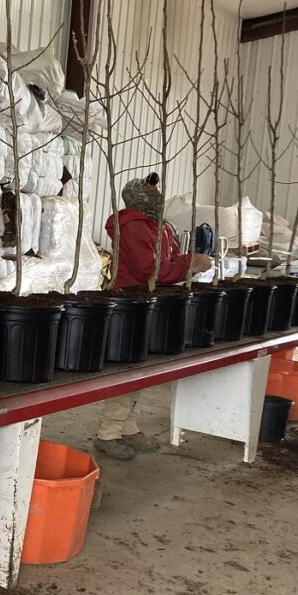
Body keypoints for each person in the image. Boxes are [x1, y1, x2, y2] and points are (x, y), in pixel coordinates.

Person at [94, 174, 212, 460]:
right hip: (131, 303)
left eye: (155, 189)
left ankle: (128, 427)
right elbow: (151, 270)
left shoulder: (156, 226)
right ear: (136, 197)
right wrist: (190, 265)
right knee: (128, 369)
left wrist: (186, 261)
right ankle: (108, 433)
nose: (155, 195)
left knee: (141, 369)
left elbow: (166, 262)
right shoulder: (133, 226)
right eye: (149, 190)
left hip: (148, 301)